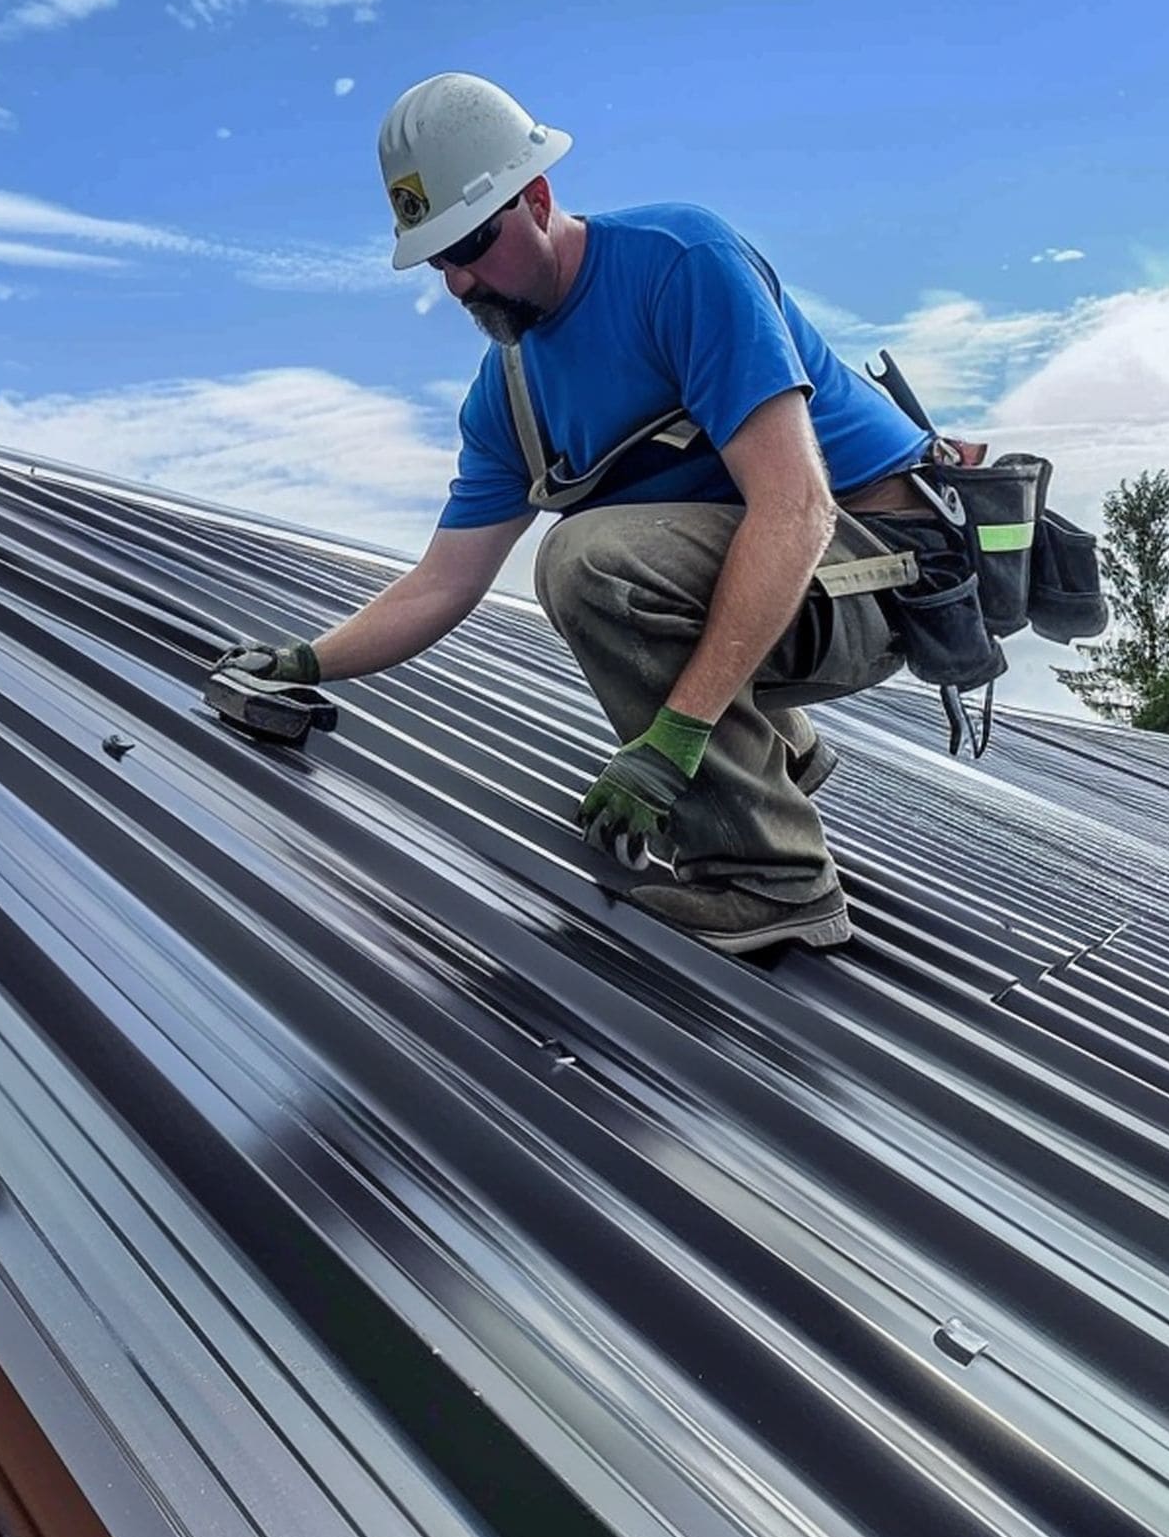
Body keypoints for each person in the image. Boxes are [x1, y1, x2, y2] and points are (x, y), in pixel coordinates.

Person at [217, 72, 934, 955]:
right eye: (439, 259)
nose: (460, 280)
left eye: (474, 241)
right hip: (797, 578)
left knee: (584, 559)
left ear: (540, 198)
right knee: (608, 550)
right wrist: (307, 660)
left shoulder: (681, 262)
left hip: (886, 565)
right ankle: (772, 757)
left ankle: (772, 878)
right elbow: (444, 582)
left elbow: (796, 507)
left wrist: (674, 739)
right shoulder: (507, 397)